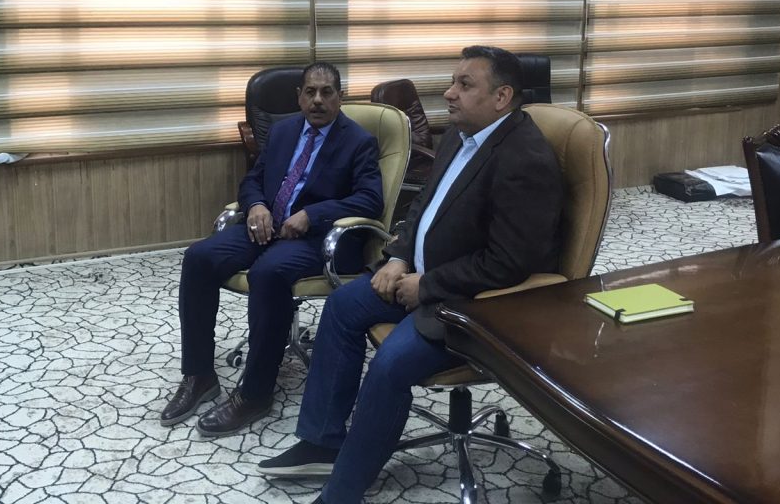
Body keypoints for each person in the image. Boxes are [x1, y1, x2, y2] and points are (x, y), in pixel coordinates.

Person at [256, 45, 563, 503]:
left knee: (390, 365)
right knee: (341, 307)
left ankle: (343, 492)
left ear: (502, 97)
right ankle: (323, 443)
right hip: (417, 275)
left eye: (464, 85)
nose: (449, 93)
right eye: (453, 81)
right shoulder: (461, 134)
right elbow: (422, 206)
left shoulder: (525, 158)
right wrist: (399, 256)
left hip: (475, 302)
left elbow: (510, 262)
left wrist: (428, 284)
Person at [160, 62, 384, 437]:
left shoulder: (358, 141)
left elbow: (370, 199)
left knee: (268, 272)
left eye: (326, 92)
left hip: (318, 238)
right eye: (310, 92)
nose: (317, 100)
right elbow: (253, 180)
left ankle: (255, 393)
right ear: (299, 96)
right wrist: (256, 206)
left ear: (340, 97)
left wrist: (312, 215)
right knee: (198, 258)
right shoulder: (283, 131)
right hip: (267, 225)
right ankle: (199, 375)